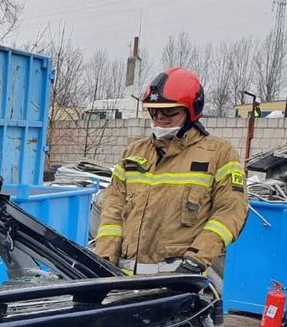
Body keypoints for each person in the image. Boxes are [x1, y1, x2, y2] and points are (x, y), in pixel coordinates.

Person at [94, 67, 248, 295]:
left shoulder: (219, 154)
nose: (160, 119)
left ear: (191, 112)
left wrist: (195, 261)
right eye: (154, 112)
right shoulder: (133, 153)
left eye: (169, 113)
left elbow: (230, 213)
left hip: (178, 286)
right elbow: (112, 210)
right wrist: (104, 259)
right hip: (124, 285)